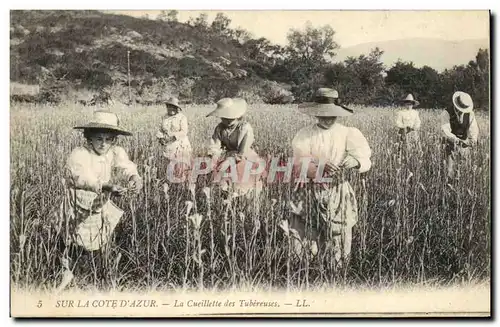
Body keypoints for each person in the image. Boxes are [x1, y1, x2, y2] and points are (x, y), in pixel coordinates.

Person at [56, 110, 143, 289]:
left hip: (98, 203)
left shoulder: (114, 152)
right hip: (78, 202)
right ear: (89, 138)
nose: (104, 144)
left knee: (97, 238)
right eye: (99, 139)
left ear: (114, 140)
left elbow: (126, 166)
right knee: (73, 236)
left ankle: (93, 273)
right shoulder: (80, 154)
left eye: (108, 139)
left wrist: (134, 177)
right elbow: (81, 177)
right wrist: (106, 186)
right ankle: (67, 269)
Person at [290, 88, 372, 267]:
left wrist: (355, 161)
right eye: (323, 115)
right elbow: (298, 163)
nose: (327, 119)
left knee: (339, 231)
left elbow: (365, 158)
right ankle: (307, 269)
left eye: (331, 115)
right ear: (315, 114)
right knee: (308, 229)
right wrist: (319, 164)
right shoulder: (305, 134)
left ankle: (336, 269)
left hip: (337, 188)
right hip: (310, 188)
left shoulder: (347, 133)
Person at [206, 97, 264, 199]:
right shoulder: (220, 128)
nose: (227, 120)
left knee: (243, 179)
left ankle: (244, 195)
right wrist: (214, 158)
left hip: (242, 156)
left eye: (230, 117)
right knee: (219, 176)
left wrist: (229, 160)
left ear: (238, 116)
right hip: (227, 154)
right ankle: (226, 195)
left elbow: (242, 151)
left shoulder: (245, 128)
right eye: (224, 117)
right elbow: (215, 145)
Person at [441, 91, 479, 181]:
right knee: (449, 171)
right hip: (450, 144)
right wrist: (456, 140)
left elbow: (473, 129)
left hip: (465, 145)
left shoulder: (470, 114)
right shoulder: (446, 113)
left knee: (463, 171)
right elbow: (445, 131)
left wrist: (472, 140)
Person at [156, 97, 193, 183]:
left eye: (173, 107)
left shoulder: (182, 118)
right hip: (168, 145)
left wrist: (173, 137)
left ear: (177, 109)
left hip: (180, 145)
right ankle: (171, 183)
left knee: (181, 165)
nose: (171, 109)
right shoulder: (164, 117)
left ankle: (183, 183)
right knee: (170, 165)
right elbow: (160, 129)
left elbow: (184, 131)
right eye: (169, 106)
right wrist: (160, 138)